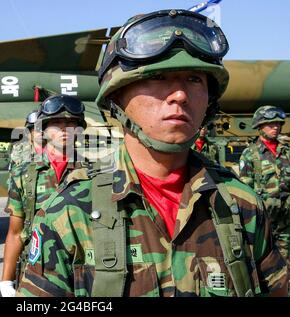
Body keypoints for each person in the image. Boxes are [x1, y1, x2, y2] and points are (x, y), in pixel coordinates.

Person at [18, 9, 288, 297]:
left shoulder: (241, 205)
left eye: (195, 79)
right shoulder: (69, 212)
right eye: (158, 77)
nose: (180, 94)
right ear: (117, 97)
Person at [0, 95, 87, 297]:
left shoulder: (97, 173)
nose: (65, 129)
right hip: (36, 275)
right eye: (56, 123)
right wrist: (6, 280)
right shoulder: (23, 175)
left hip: (85, 274)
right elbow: (15, 233)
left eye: (71, 123)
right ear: (43, 130)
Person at [239, 105, 290, 287]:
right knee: (263, 262)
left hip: (286, 221)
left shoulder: (287, 152)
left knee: (286, 262)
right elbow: (245, 191)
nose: (275, 127)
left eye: (278, 123)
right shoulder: (250, 154)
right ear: (260, 126)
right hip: (263, 220)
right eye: (270, 124)